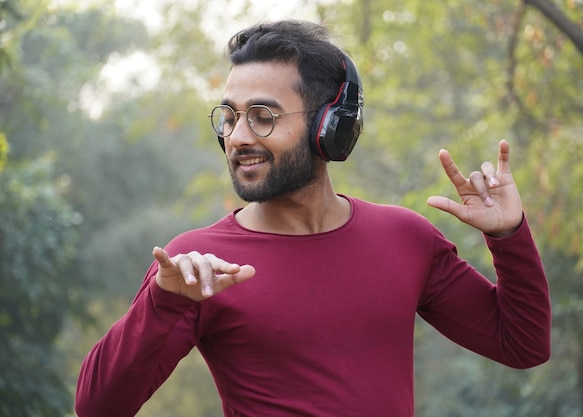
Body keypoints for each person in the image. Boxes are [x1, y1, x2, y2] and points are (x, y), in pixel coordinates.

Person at [75, 19, 550, 417]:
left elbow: (523, 345)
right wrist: (162, 303)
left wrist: (509, 235)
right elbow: (97, 407)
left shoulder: (406, 237)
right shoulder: (195, 267)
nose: (238, 136)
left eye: (262, 115)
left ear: (330, 126)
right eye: (230, 115)